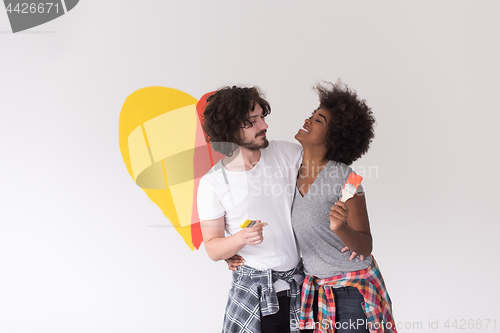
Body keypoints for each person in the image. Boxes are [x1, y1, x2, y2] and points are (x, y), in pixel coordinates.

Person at [197, 86, 305, 333]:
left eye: (262, 118)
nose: (263, 125)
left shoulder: (287, 153)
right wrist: (240, 239)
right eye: (252, 121)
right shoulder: (213, 183)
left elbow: (327, 179)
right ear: (230, 130)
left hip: (299, 289)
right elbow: (213, 248)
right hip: (254, 296)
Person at [292, 81, 396, 333]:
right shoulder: (289, 172)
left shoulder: (346, 179)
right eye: (312, 116)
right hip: (315, 293)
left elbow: (365, 245)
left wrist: (341, 229)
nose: (308, 120)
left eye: (318, 121)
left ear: (334, 136)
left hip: (351, 294)